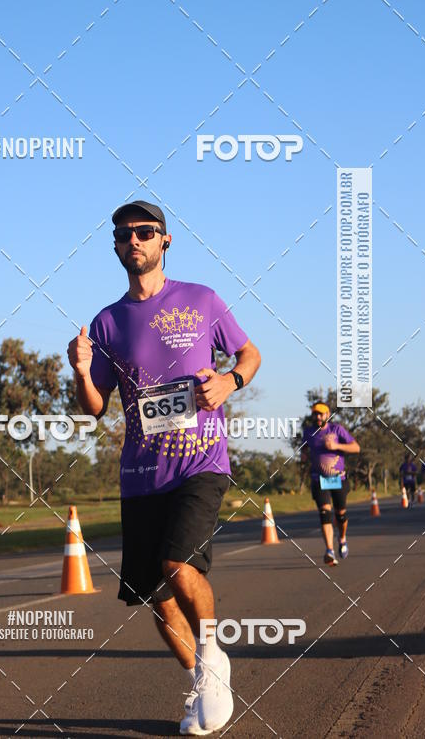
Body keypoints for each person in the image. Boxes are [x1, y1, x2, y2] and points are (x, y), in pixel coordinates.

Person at [67, 200, 261, 735]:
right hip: (140, 473)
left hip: (201, 460)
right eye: (124, 234)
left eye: (145, 232)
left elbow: (249, 354)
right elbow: (94, 405)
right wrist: (82, 371)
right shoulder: (108, 321)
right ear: (115, 246)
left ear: (165, 240)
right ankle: (202, 676)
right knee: (157, 597)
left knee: (179, 564)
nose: (135, 240)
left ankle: (214, 661)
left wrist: (231, 382)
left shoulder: (201, 300)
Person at [301, 402, 360, 566]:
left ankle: (342, 539)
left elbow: (356, 447)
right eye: (315, 414)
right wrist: (304, 456)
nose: (318, 417)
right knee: (325, 514)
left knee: (341, 515)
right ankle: (329, 550)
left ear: (328, 414)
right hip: (319, 479)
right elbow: (304, 448)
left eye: (321, 414)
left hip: (338, 479)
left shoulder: (337, 429)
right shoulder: (308, 432)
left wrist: (336, 446)